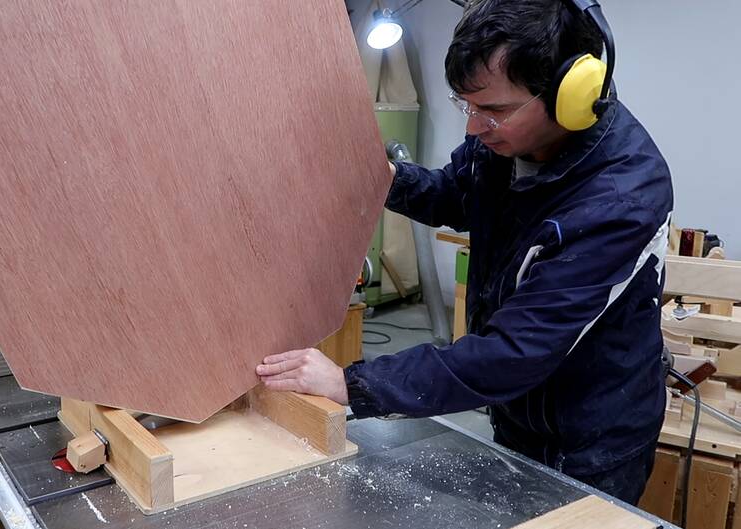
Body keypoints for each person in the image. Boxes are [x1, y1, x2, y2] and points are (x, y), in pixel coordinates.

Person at [256, 0, 673, 505]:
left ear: (571, 95)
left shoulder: (620, 200)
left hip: (592, 441)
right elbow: (459, 194)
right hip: (519, 413)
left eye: (493, 111)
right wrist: (385, 179)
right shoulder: (505, 142)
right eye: (467, 106)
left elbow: (513, 353)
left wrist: (353, 383)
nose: (474, 127)